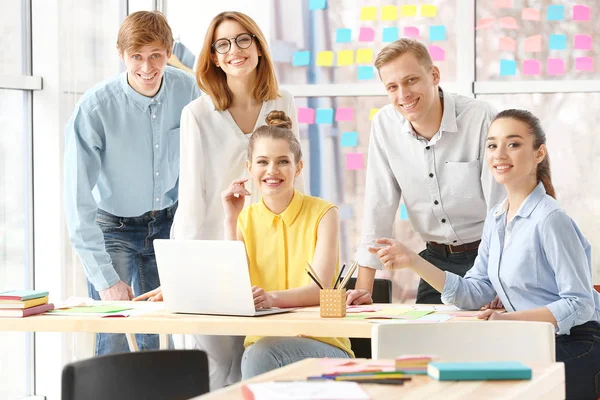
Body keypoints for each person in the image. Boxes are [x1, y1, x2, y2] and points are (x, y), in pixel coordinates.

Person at [368, 109, 600, 400]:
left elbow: (580, 304)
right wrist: (414, 261)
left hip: (578, 344)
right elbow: (476, 291)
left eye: (513, 144)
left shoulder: (550, 219)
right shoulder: (497, 218)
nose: (500, 153)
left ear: (539, 153)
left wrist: (508, 321)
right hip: (531, 341)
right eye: (492, 145)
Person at [133, 11, 303, 389]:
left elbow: (293, 179)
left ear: (258, 46)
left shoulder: (283, 101)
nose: (234, 50)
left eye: (243, 39)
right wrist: (181, 271)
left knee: (255, 365)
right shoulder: (197, 113)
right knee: (215, 365)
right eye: (222, 44)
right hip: (212, 254)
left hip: (269, 253)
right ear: (213, 56)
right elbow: (192, 198)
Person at [64, 11, 200, 355]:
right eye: (136, 57)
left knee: (158, 337)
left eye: (156, 55)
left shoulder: (190, 91)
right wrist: (105, 279)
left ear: (169, 53)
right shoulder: (95, 109)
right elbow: (77, 202)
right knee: (115, 339)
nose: (147, 67)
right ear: (121, 55)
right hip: (115, 230)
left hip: (168, 226)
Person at [346, 38, 505, 306]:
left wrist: (505, 281)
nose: (403, 95)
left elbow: (501, 208)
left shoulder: (481, 119)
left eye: (411, 81)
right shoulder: (384, 125)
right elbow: (378, 205)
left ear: (434, 75)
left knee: (484, 341)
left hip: (488, 258)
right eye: (392, 87)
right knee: (419, 340)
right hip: (434, 263)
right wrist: (365, 289)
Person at [222, 110, 353, 379]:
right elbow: (233, 287)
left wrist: (271, 299)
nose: (272, 171)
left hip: (325, 346)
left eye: (283, 161)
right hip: (261, 347)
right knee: (251, 360)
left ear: (298, 167)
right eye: (262, 162)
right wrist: (230, 218)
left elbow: (320, 290)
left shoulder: (324, 213)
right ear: (249, 169)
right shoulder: (245, 219)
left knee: (260, 356)